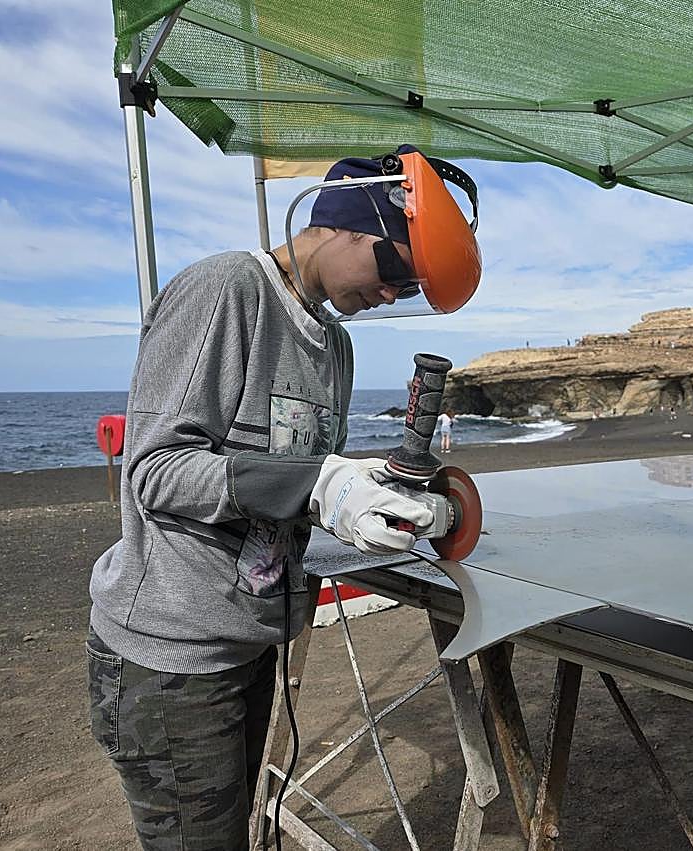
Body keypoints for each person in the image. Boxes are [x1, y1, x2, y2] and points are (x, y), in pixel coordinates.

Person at [86, 146, 481, 850]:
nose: (392, 293)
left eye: (410, 287)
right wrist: (319, 482)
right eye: (392, 268)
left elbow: (295, 485)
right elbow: (156, 470)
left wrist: (360, 497)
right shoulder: (228, 290)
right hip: (172, 661)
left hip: (247, 646)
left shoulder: (336, 347)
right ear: (340, 224)